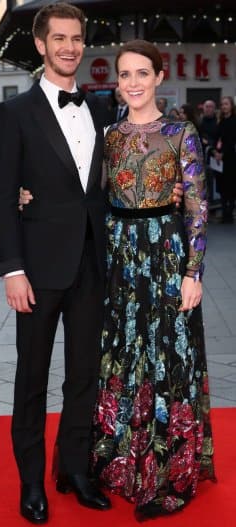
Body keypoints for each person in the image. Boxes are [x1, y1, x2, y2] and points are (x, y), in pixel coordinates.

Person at [0, 3, 112, 523]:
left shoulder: (102, 109)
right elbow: (0, 196)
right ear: (40, 45)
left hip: (92, 262)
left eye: (77, 38)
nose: (69, 47)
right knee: (32, 379)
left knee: (84, 374)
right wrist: (12, 268)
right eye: (59, 38)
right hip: (37, 269)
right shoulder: (14, 113)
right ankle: (30, 483)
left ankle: (75, 469)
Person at [89, 40, 216, 520]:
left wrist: (192, 272)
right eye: (125, 75)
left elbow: (197, 207)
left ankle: (169, 470)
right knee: (125, 353)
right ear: (116, 81)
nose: (134, 83)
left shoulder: (181, 134)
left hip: (165, 253)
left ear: (159, 77)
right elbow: (91, 198)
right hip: (121, 258)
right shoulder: (109, 135)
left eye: (143, 73)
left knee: (170, 354)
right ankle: (123, 461)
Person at [215, 95, 236, 223]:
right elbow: (219, 138)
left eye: (226, 104)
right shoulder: (221, 121)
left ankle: (229, 212)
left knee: (231, 186)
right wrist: (216, 152)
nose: (224, 106)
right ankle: (224, 212)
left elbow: (232, 140)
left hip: (231, 158)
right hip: (219, 158)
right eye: (222, 104)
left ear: (231, 106)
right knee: (222, 186)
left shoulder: (234, 120)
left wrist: (222, 152)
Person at [199, 99, 219, 205]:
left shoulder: (218, 121)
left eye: (211, 107)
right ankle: (208, 202)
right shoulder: (200, 122)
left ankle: (216, 202)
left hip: (217, 153)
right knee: (206, 180)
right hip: (204, 155)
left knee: (217, 180)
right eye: (206, 106)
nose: (208, 109)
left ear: (214, 109)